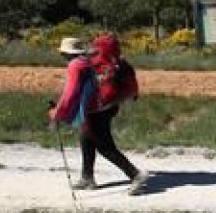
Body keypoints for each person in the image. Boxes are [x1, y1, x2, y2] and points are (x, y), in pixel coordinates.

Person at [47, 37, 149, 195]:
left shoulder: (76, 65)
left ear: (65, 53)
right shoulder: (86, 62)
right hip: (105, 107)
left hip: (97, 110)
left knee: (104, 146)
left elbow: (71, 92)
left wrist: (57, 113)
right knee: (86, 137)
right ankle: (87, 178)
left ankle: (136, 175)